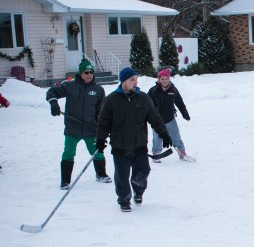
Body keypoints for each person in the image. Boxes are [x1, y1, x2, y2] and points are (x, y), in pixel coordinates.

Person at [96, 67, 173, 212]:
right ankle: (124, 199)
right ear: (123, 81)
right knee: (122, 177)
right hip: (120, 145)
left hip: (139, 144)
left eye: (136, 79)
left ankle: (138, 191)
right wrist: (100, 139)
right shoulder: (111, 100)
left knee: (143, 171)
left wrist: (164, 133)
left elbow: (154, 118)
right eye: (132, 80)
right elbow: (103, 122)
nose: (135, 83)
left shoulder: (143, 98)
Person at [46, 58, 111, 189]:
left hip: (90, 129)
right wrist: (53, 103)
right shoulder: (69, 86)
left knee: (97, 152)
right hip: (72, 128)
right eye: (86, 72)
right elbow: (52, 91)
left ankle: (101, 174)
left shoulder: (98, 90)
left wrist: (102, 127)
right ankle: (65, 181)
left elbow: (101, 111)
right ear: (80, 73)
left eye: (91, 72)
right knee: (68, 153)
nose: (89, 75)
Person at [147, 68, 194, 162]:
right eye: (162, 79)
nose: (164, 81)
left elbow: (180, 103)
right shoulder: (153, 90)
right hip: (157, 121)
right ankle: (156, 154)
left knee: (176, 137)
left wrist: (185, 115)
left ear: (169, 79)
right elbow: (146, 104)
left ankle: (182, 153)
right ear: (159, 79)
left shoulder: (173, 90)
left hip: (170, 119)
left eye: (166, 78)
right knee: (157, 139)